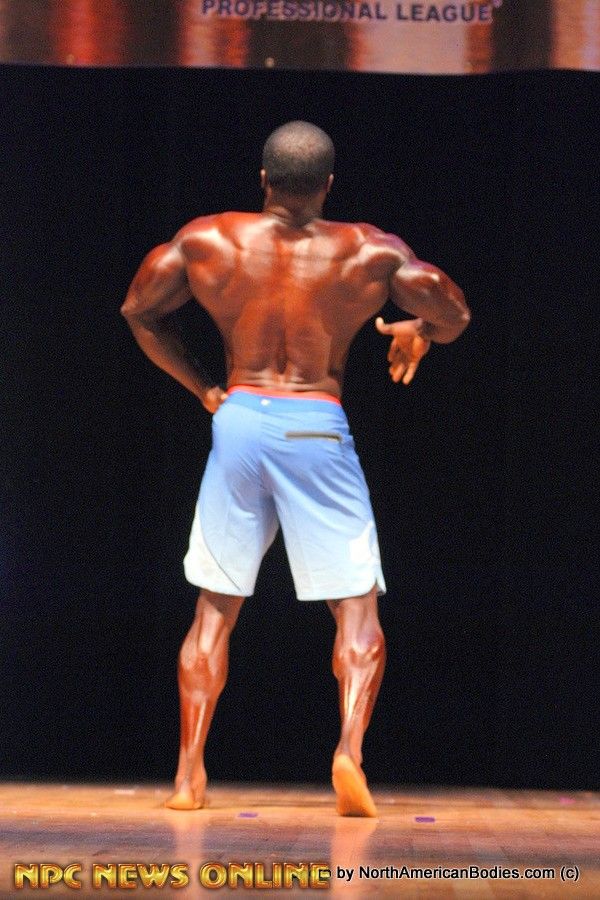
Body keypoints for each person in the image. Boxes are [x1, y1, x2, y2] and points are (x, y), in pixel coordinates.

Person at [121, 121, 470, 816]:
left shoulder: (208, 239)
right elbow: (452, 308)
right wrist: (421, 331)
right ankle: (349, 753)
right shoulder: (368, 250)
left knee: (214, 609)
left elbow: (139, 311)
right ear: (329, 185)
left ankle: (189, 775)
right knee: (357, 607)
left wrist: (203, 388)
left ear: (264, 179)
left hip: (239, 421)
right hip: (315, 422)